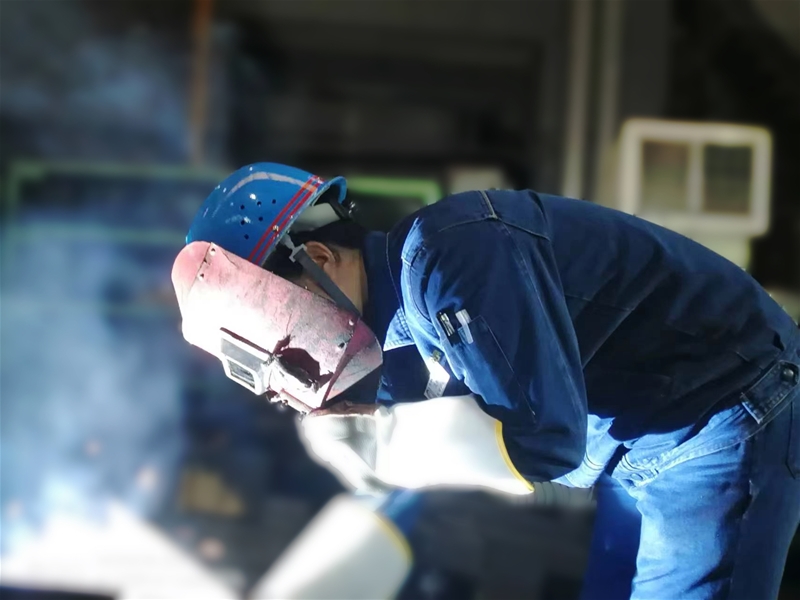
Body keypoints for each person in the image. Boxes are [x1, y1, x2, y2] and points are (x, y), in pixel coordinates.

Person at [177, 162, 800, 600]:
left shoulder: (451, 257)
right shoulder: (392, 339)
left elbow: (546, 438)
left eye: (277, 325)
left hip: (722, 411)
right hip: (641, 448)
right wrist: (375, 429)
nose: (292, 359)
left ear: (318, 259)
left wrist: (391, 445)